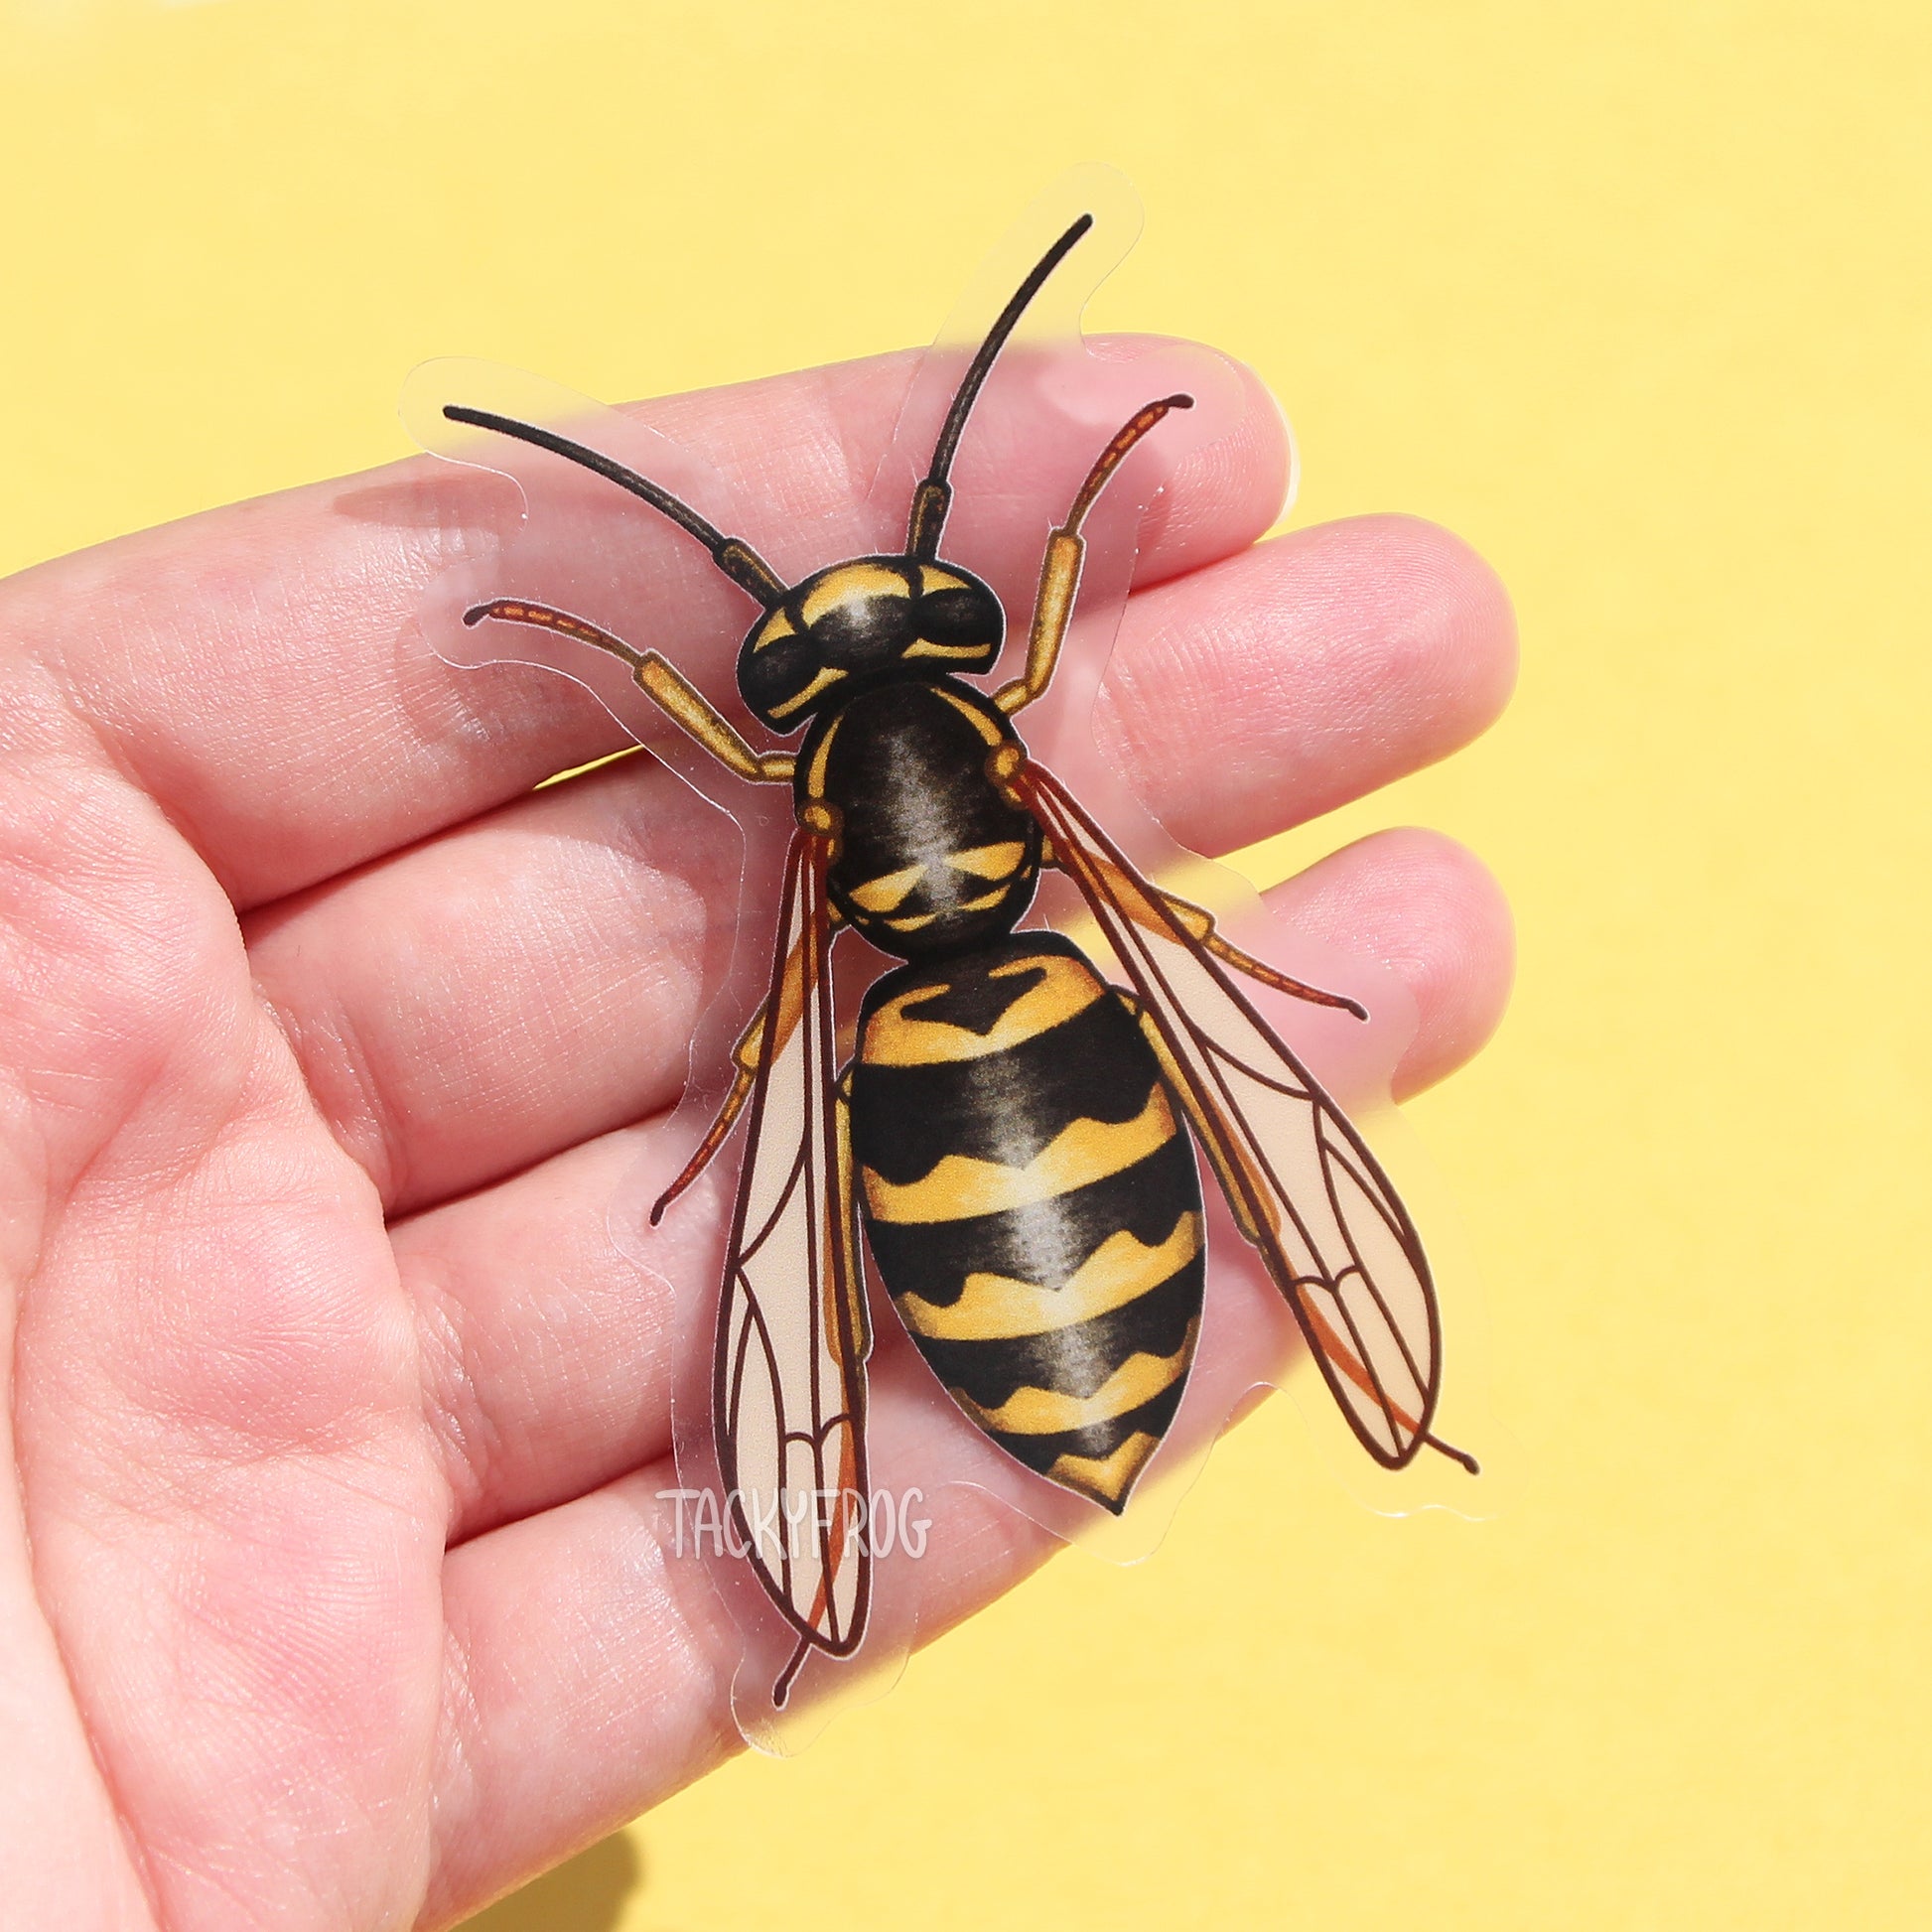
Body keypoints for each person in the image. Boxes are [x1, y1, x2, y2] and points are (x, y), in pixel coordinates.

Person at [0, 341, 1515, 1929]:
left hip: (928, 1082)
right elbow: (1172, 936)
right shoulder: (1031, 798)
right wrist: (1062, 531)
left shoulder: (801, 843)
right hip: (1029, 1066)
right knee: (1223, 1097)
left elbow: (732, 762)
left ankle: (845, 1528)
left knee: (804, 1225)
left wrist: (607, 651)